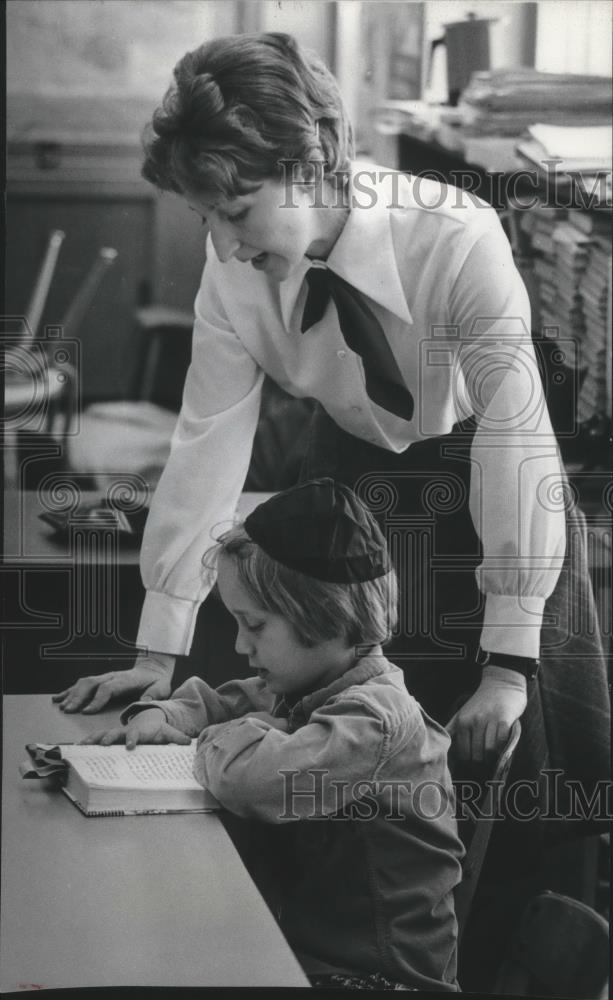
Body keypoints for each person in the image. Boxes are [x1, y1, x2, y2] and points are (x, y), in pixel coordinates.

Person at [53, 32, 566, 763]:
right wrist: (156, 656)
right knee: (346, 754)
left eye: (235, 212)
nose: (224, 246)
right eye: (208, 219)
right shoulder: (232, 266)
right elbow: (208, 442)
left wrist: (510, 664)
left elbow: (514, 439)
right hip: (351, 493)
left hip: (491, 493)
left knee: (499, 771)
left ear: (310, 167)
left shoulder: (455, 238)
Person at [82, 480, 465, 992]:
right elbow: (236, 700)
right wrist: (170, 714)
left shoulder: (374, 721)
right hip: (312, 955)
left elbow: (251, 781)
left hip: (375, 980)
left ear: (323, 615)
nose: (241, 644)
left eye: (255, 625)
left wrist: (215, 736)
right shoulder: (319, 682)